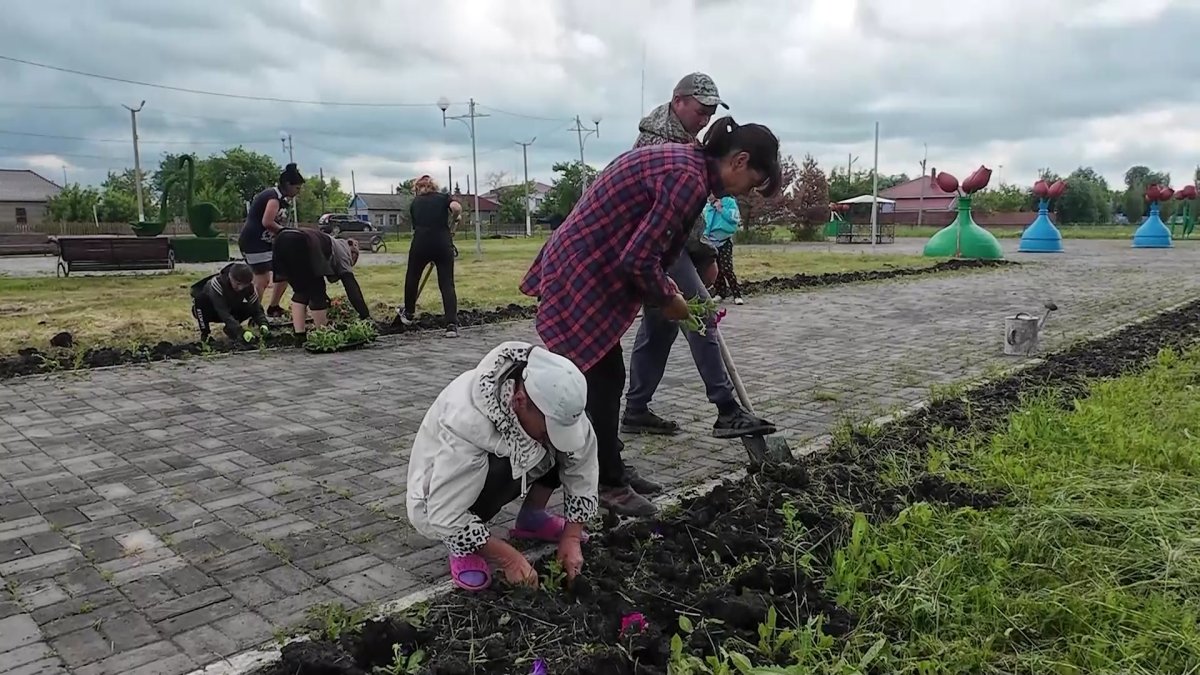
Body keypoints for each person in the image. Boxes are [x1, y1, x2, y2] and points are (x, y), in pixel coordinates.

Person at [520, 117, 782, 516]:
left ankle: (611, 468)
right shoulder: (687, 179)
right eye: (753, 184)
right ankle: (605, 483)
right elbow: (638, 260)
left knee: (604, 377)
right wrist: (669, 300)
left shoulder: (688, 166)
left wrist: (671, 285)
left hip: (589, 263)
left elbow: (652, 246)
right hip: (583, 269)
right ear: (740, 161)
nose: (747, 194)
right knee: (600, 379)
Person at [622, 73, 776, 448]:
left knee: (660, 328)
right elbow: (670, 216)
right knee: (698, 312)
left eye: (711, 111)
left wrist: (702, 253)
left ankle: (636, 408)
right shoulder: (656, 142)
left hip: (669, 246)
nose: (705, 117)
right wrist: (700, 254)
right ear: (678, 102)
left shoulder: (691, 141)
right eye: (701, 109)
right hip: (650, 246)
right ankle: (726, 408)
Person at [406, 342, 598, 591]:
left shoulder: (553, 393)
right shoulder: (468, 421)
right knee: (496, 468)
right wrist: (509, 558)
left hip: (510, 449)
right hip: (438, 496)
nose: (550, 436)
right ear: (520, 401)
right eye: (547, 429)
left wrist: (572, 536)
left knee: (569, 440)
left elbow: (582, 461)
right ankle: (461, 547)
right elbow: (444, 513)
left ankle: (532, 517)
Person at [270, 227, 369, 340]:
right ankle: (323, 335)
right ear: (352, 252)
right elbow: (352, 288)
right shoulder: (344, 252)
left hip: (281, 240)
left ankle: (299, 336)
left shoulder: (333, 243)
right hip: (300, 242)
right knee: (317, 292)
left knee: (301, 291)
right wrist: (365, 315)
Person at [397, 175, 463, 338]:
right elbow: (456, 208)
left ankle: (409, 313)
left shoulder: (415, 203)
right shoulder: (443, 198)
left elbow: (417, 224)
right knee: (447, 284)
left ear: (417, 189)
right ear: (433, 186)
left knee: (412, 277)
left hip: (421, 243)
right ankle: (451, 325)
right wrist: (455, 218)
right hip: (442, 243)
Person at [239, 163, 305, 319]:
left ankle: (273, 307)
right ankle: (254, 315)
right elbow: (267, 222)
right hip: (254, 242)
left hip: (267, 243)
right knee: (262, 280)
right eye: (297, 188)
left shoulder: (282, 200)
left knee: (285, 271)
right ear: (288, 184)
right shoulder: (273, 197)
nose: (298, 192)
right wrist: (287, 232)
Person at [189, 262, 269, 343]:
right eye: (238, 284)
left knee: (249, 307)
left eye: (244, 285)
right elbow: (223, 312)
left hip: (230, 307)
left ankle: (231, 330)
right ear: (230, 277)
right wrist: (241, 332)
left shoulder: (249, 287)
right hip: (213, 310)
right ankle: (205, 335)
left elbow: (256, 307)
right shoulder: (216, 284)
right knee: (200, 300)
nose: (240, 288)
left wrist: (263, 324)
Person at [705, 195, 743, 304]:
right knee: (715, 269)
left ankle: (737, 294)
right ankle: (720, 293)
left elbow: (735, 218)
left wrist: (721, 209)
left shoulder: (729, 202)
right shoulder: (707, 207)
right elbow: (705, 224)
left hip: (725, 241)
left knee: (726, 268)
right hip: (711, 242)